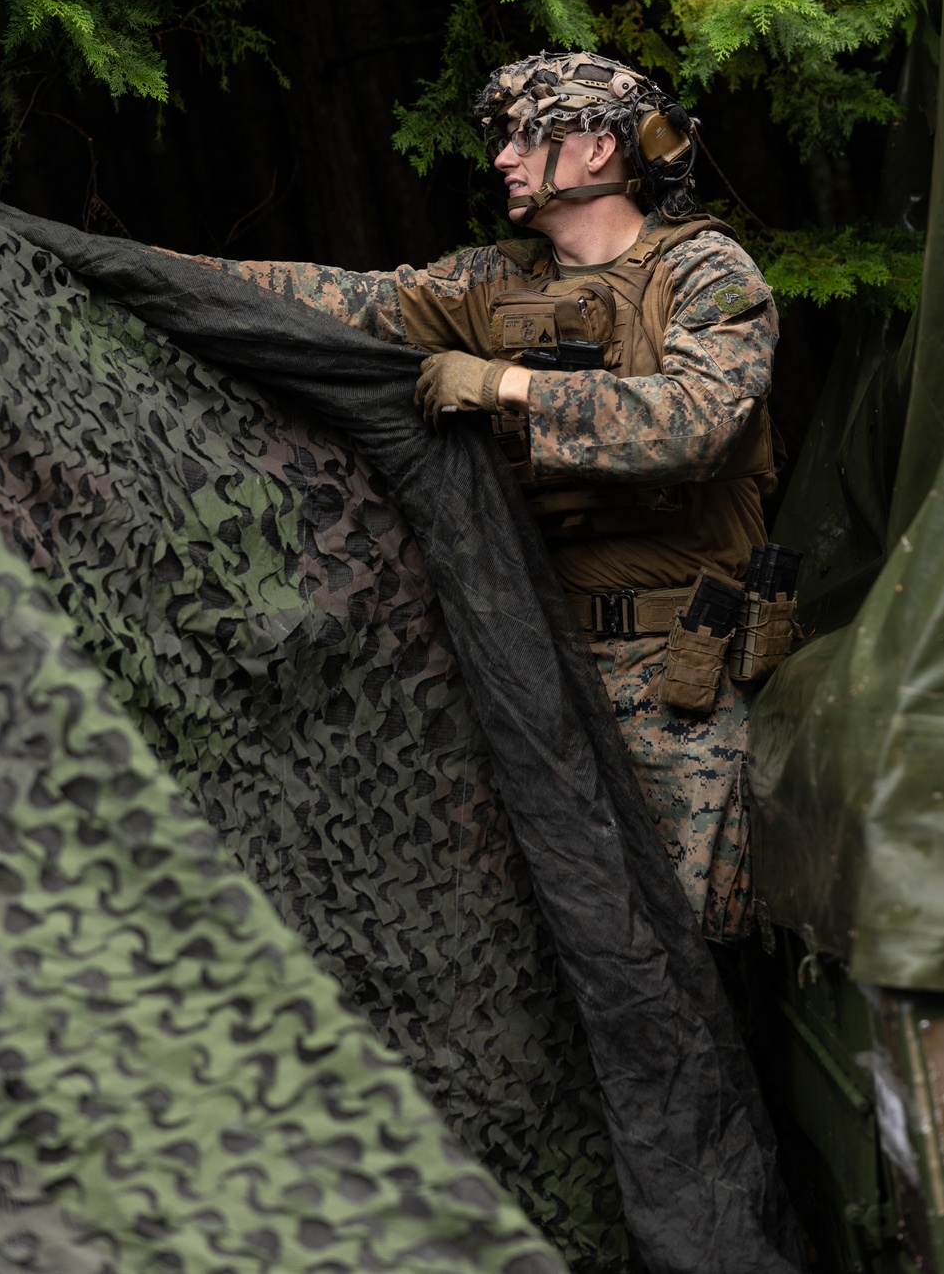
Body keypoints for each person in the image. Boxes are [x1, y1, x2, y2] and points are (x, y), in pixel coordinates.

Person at [232, 50, 778, 943]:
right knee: (548, 941)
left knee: (693, 950)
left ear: (599, 148)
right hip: (536, 671)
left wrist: (504, 388)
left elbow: (698, 420)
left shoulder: (708, 272)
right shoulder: (498, 282)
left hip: (683, 686)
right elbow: (343, 302)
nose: (503, 158)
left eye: (527, 135)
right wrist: (133, 266)